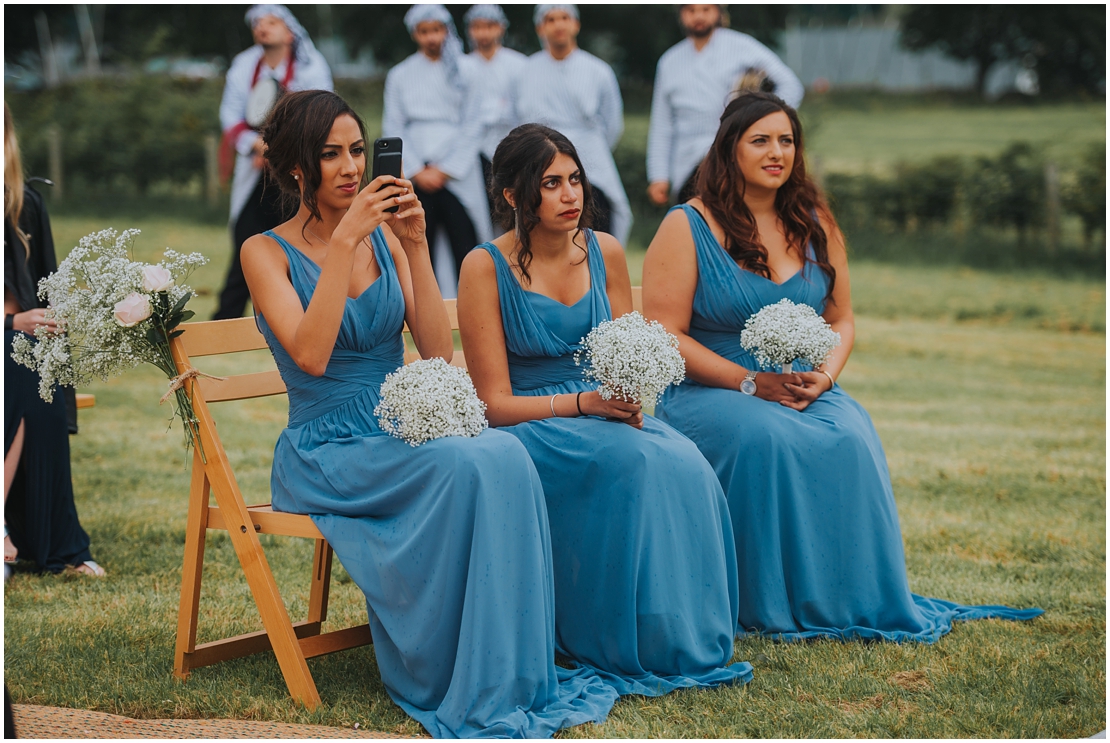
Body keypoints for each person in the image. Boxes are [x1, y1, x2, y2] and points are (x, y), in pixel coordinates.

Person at [239, 90, 617, 738]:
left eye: (358, 149)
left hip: (400, 423)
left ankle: (510, 665)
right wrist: (344, 242)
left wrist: (413, 245)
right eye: (331, 154)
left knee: (505, 453)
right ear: (298, 168)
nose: (352, 165)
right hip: (327, 446)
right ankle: (445, 665)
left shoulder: (384, 236)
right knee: (466, 467)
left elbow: (439, 357)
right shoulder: (263, 252)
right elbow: (310, 352)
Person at [642, 91, 1043, 642]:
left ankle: (847, 594)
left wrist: (825, 377)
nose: (776, 152)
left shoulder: (813, 220)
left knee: (852, 432)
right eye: (760, 140)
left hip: (802, 383)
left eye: (786, 140)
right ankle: (766, 600)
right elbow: (665, 333)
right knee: (766, 438)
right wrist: (751, 381)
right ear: (728, 149)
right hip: (715, 388)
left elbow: (842, 317)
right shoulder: (687, 226)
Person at [456, 123, 752, 696]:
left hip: (602, 411)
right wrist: (581, 404)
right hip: (533, 421)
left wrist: (629, 392)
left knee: (686, 461)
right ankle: (607, 633)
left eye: (575, 180)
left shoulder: (605, 251)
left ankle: (679, 631)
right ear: (513, 195)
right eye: (550, 183)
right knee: (636, 466)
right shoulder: (483, 267)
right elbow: (491, 404)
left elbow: (625, 349)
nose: (570, 195)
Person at [4, 102, 103, 577]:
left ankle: (57, 541)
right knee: (20, 363)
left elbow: (48, 285)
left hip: (18, 342)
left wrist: (51, 319)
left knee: (34, 366)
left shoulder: (24, 203)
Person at [213, 4, 333, 320]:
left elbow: (319, 112)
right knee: (246, 237)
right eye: (257, 23)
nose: (261, 28)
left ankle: (303, 312)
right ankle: (228, 318)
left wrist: (279, 150)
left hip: (295, 169)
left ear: (289, 31)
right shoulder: (243, 65)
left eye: (271, 22)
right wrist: (258, 146)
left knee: (299, 238)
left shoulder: (312, 66)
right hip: (254, 165)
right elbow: (230, 114)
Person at [383, 4, 492, 299]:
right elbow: (394, 125)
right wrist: (418, 169)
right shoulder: (400, 74)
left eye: (436, 29)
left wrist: (445, 169)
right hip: (418, 173)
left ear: (446, 30)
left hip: (458, 171)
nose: (431, 37)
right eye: (424, 31)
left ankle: (475, 303)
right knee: (420, 243)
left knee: (466, 242)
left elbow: (474, 123)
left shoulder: (468, 69)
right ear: (415, 34)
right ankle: (425, 308)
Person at [646, 4, 804, 207]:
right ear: (680, 14)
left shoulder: (742, 46)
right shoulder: (669, 61)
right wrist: (658, 175)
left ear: (719, 11)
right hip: (686, 163)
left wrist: (761, 123)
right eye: (691, 11)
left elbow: (790, 85)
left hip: (732, 157)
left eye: (706, 9)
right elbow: (662, 123)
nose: (698, 17)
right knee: (693, 227)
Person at [514, 5, 632, 245]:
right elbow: (518, 121)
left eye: (564, 18)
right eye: (550, 19)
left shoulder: (598, 71)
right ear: (540, 27)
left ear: (575, 24)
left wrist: (585, 153)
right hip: (540, 166)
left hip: (591, 165)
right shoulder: (524, 72)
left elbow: (612, 125)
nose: (558, 25)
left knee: (596, 239)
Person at [463, 4, 526, 214]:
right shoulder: (462, 66)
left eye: (489, 26)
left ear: (500, 27)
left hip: (512, 146)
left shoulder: (519, 65)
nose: (483, 32)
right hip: (474, 149)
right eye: (477, 26)